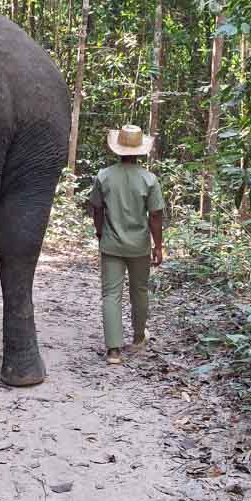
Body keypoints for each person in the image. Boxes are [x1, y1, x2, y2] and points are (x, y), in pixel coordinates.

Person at [88, 124, 164, 366]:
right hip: (139, 245)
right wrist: (158, 246)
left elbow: (97, 209)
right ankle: (139, 337)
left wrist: (100, 233)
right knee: (139, 291)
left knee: (111, 295)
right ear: (140, 150)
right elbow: (155, 215)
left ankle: (113, 351)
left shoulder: (104, 176)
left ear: (117, 149)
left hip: (111, 244)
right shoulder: (149, 179)